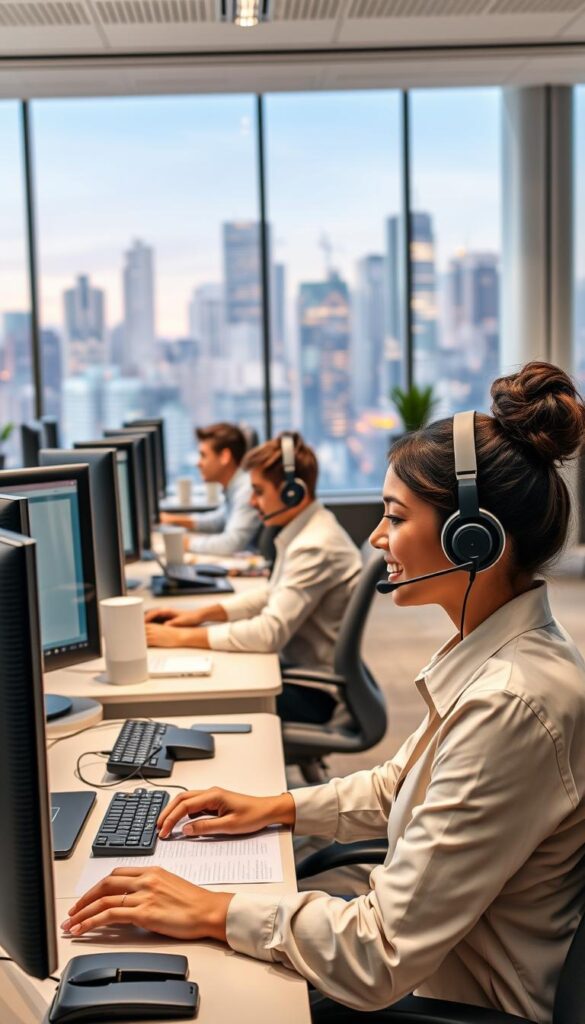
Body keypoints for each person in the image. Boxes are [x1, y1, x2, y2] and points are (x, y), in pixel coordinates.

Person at [63, 363, 585, 1024]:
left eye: (394, 517)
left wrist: (213, 910)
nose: (376, 537)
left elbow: (378, 955)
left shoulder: (511, 703)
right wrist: (274, 807)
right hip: (435, 964)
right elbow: (397, 787)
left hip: (452, 999)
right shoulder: (491, 653)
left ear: (472, 540)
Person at [146, 434, 362, 720]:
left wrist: (180, 637)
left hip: (313, 691)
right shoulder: (305, 530)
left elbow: (268, 633)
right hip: (294, 670)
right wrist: (199, 615)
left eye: (258, 491)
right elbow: (272, 593)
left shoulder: (315, 546)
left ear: (292, 493)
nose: (252, 501)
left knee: (195, 692)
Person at [161, 422, 260, 555]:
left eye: (203, 455)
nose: (198, 463)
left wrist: (186, 543)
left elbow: (231, 544)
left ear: (224, 457)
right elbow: (220, 520)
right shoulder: (235, 486)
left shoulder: (246, 490)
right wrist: (174, 519)